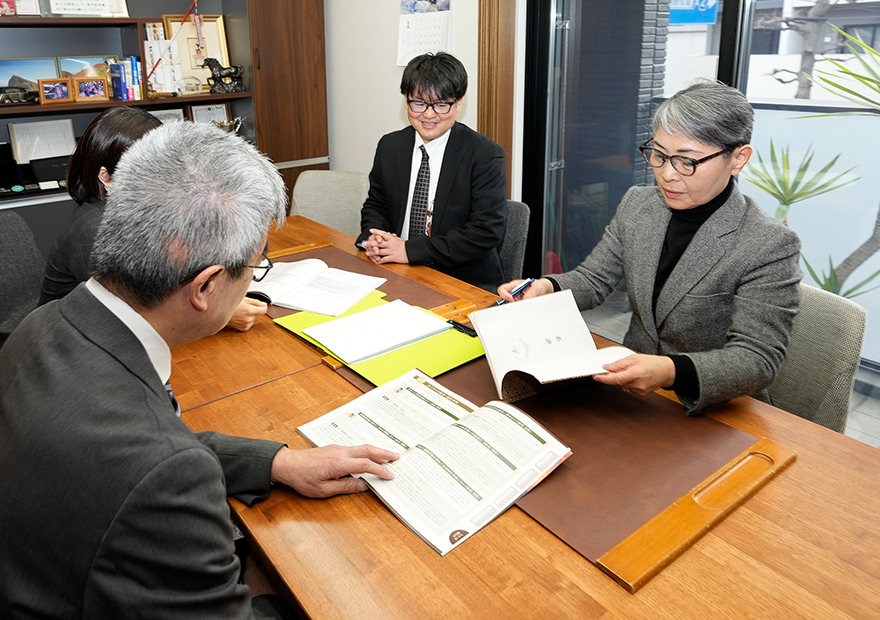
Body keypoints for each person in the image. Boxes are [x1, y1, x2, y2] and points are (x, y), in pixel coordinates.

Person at [0, 121, 398, 619]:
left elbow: (146, 445)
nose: (254, 279)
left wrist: (278, 464)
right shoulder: (166, 478)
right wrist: (268, 581)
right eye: (256, 267)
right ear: (206, 287)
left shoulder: (43, 326)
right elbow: (155, 463)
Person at [498, 80, 802, 415]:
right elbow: (595, 278)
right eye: (658, 155)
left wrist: (669, 371)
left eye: (687, 161)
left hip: (716, 409)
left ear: (738, 159)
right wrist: (546, 287)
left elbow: (757, 360)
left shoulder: (768, 243)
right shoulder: (639, 205)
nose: (667, 174)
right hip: (632, 394)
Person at [39, 106, 268, 331]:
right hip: (69, 349)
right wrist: (222, 315)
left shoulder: (139, 210)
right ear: (106, 176)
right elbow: (130, 317)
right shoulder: (92, 230)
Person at [357, 52, 508, 292]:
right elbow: (377, 204)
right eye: (419, 103)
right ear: (406, 101)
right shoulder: (390, 146)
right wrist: (374, 238)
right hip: (395, 271)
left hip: (461, 279)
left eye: (440, 104)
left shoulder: (484, 154)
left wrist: (409, 250)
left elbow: (485, 231)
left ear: (458, 103)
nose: (428, 115)